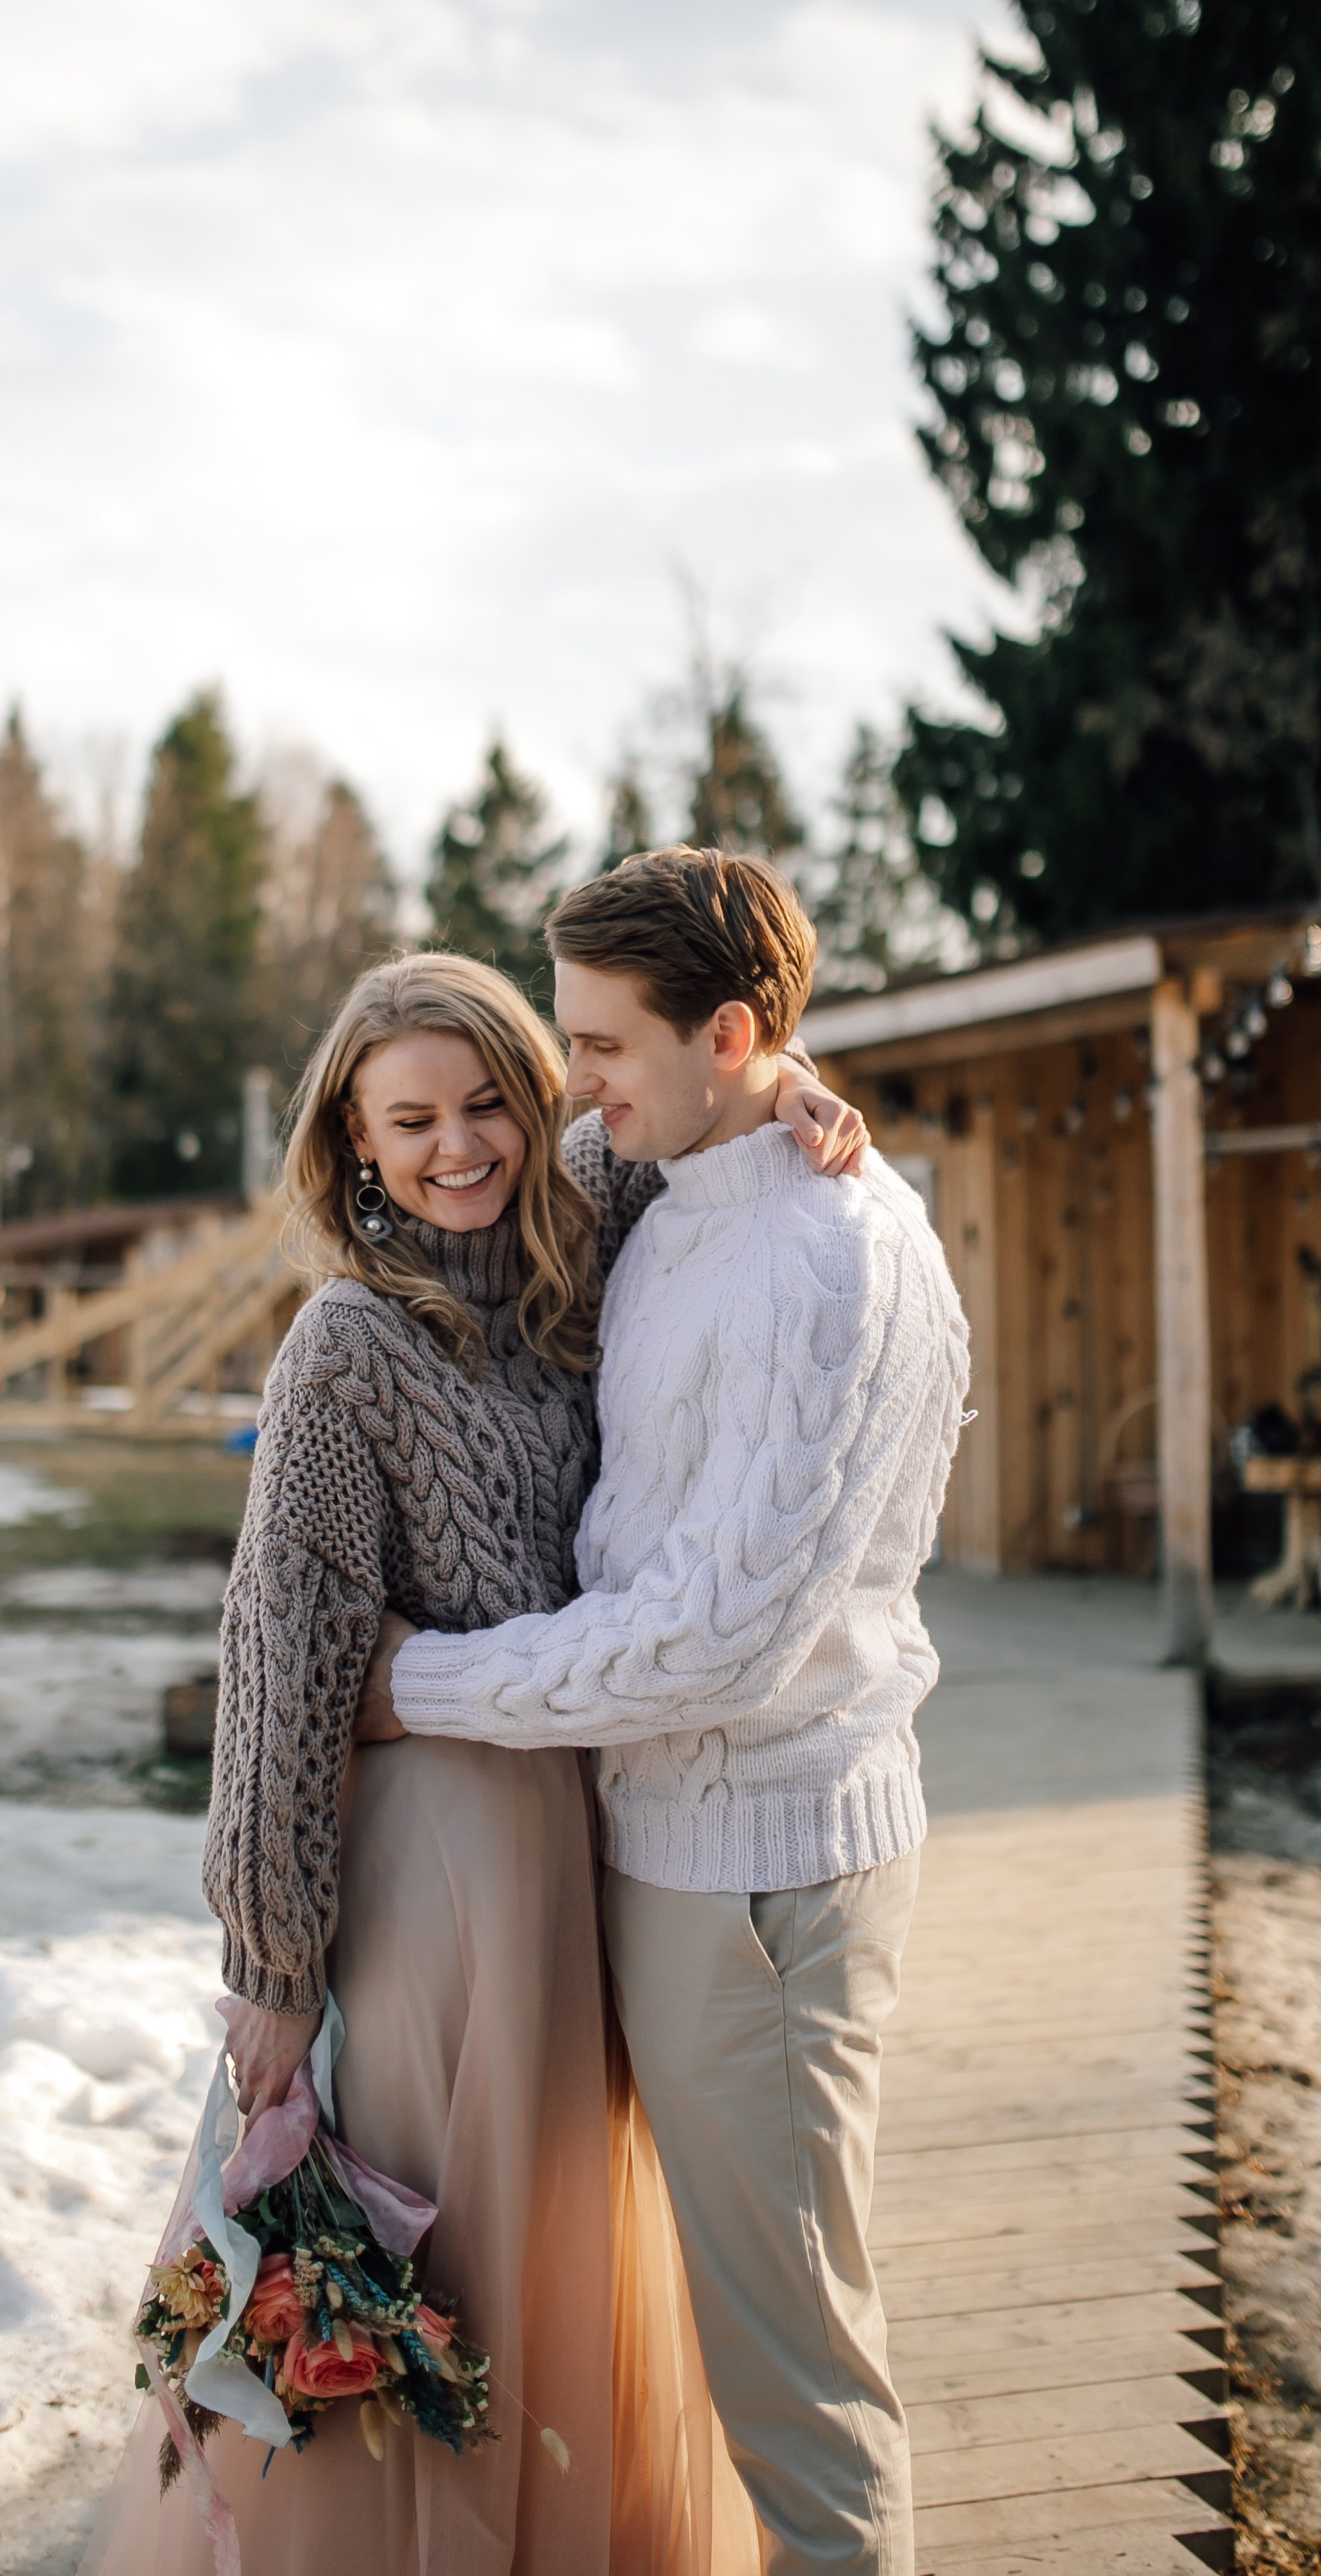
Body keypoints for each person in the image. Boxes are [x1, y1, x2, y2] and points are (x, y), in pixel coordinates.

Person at [83, 947, 865, 2576]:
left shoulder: (586, 1256)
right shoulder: (345, 1349)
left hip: (582, 1838)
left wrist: (797, 1091)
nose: (460, 1146)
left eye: (487, 1101)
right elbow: (282, 1661)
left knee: (556, 2251)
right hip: (426, 1872)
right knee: (429, 2259)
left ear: (534, 1096)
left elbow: (687, 1099)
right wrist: (274, 1962)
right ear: (357, 1146)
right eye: (412, 1120)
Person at [357, 853, 970, 2576]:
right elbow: (468, 1164)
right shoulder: (679, 1162)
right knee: (728, 2333)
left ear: (726, 1028)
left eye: (603, 1046)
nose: (575, 1087)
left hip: (762, 1872)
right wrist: (787, 1093)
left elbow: (710, 1642)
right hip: (676, 1854)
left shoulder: (825, 1261)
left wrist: (414, 1682)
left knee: (796, 2377)